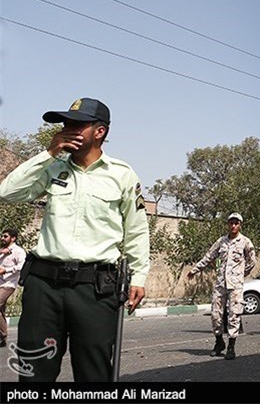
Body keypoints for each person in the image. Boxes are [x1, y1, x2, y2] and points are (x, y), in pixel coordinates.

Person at [0, 97, 150, 381]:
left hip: (94, 290)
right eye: (66, 123)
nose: (68, 129)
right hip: (43, 285)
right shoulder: (52, 168)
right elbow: (7, 192)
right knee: (34, 374)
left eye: (78, 124)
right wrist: (48, 153)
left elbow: (136, 229)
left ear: (100, 132)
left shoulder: (121, 175)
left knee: (93, 376)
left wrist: (139, 276)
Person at [188, 212, 255, 360]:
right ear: (228, 224)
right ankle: (219, 342)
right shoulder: (221, 241)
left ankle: (231, 347)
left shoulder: (245, 242)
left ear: (240, 225)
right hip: (221, 284)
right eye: (231, 222)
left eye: (236, 223)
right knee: (215, 315)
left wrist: (240, 275)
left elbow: (252, 262)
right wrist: (195, 269)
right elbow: (209, 256)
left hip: (235, 285)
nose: (233, 225)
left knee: (234, 315)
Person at [0, 228, 27, 348]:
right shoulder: (2, 250)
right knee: (1, 311)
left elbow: (22, 266)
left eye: (5, 236)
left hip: (9, 284)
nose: (2, 238)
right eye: (2, 236)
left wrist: (6, 270)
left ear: (13, 238)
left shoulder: (19, 251)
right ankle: (2, 337)